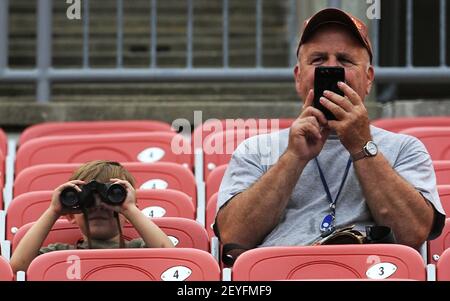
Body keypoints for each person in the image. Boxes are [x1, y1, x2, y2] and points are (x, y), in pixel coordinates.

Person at [214, 8, 446, 254]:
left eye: (345, 60)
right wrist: (294, 157)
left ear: (369, 79)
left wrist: (362, 146)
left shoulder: (405, 149)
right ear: (298, 77)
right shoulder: (255, 149)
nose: (332, 68)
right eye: (318, 60)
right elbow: (232, 237)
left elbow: (414, 234)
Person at [10, 160, 174, 273]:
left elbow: (171, 258)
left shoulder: (141, 250)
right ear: (70, 214)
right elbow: (18, 269)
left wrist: (129, 208)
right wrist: (53, 211)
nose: (98, 206)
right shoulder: (59, 255)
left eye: (109, 197)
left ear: (128, 214)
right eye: (87, 200)